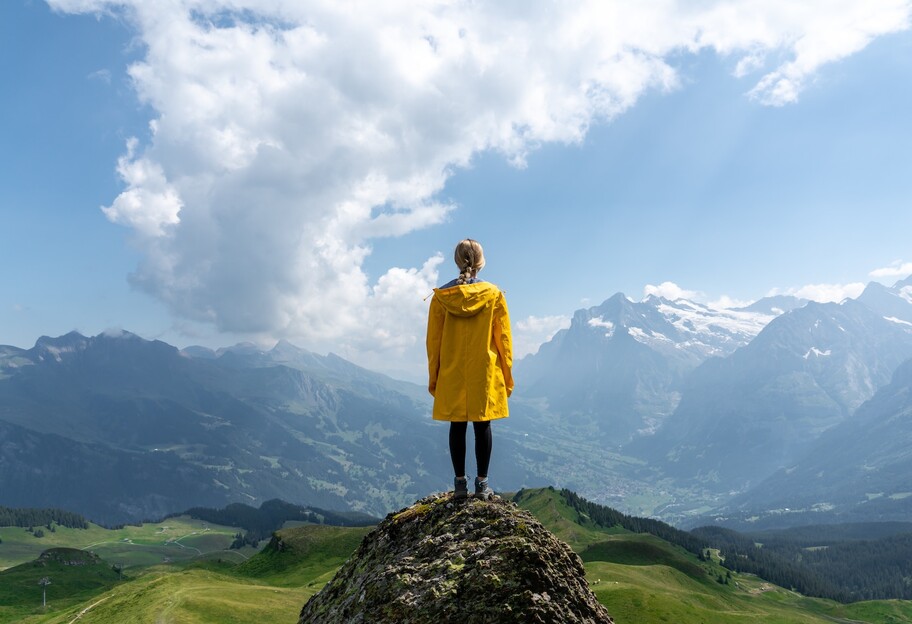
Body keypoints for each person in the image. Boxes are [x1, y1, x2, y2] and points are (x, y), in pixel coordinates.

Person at [426, 238, 514, 500]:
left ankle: (460, 486)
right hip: (484, 371)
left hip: (452, 369)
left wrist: (435, 377)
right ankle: (483, 485)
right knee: (482, 424)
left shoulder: (442, 298)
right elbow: (504, 342)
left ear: (457, 261)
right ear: (481, 262)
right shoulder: (494, 295)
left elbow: (433, 342)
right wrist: (507, 377)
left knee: (457, 424)